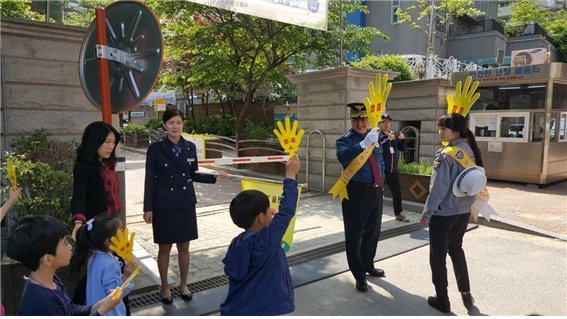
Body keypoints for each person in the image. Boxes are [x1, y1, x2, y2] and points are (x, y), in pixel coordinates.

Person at [143, 108, 227, 304]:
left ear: (183, 125)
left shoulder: (189, 147)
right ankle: (164, 286)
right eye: (171, 122)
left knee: (184, 246)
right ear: (164, 125)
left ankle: (183, 284)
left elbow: (192, 174)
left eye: (179, 122)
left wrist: (215, 176)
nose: (175, 126)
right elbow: (149, 180)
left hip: (185, 203)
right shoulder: (155, 149)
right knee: (164, 247)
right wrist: (148, 208)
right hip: (163, 205)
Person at [220, 155, 300, 315]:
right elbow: (286, 211)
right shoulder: (265, 242)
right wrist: (291, 176)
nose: (272, 212)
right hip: (263, 309)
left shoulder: (237, 242)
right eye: (268, 210)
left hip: (239, 307)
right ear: (261, 218)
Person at [420, 113, 483, 313]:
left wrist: (427, 213)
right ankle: (466, 293)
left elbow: (438, 188)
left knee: (437, 256)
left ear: (455, 131)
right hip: (463, 212)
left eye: (443, 128)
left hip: (443, 214)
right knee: (456, 250)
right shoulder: (470, 150)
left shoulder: (445, 155)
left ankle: (442, 299)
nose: (440, 132)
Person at [6, 215, 122, 315]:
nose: (71, 246)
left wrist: (98, 306)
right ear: (48, 259)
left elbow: (70, 310)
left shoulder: (51, 280)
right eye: (65, 243)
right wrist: (102, 310)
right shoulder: (41, 300)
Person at [69, 121, 130, 312]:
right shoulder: (84, 167)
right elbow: (79, 197)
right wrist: (79, 221)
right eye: (106, 142)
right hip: (101, 230)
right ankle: (101, 309)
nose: (110, 147)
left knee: (118, 267)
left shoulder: (107, 163)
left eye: (113, 142)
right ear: (94, 141)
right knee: (104, 271)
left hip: (114, 225)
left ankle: (119, 307)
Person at [336, 102, 386, 293]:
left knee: (373, 231)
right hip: (356, 192)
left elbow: (380, 161)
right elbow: (342, 156)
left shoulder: (374, 136)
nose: (360, 123)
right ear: (351, 119)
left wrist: (381, 183)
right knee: (354, 234)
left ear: (369, 119)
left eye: (363, 118)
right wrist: (362, 145)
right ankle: (358, 274)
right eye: (356, 119)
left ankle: (367, 264)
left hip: (375, 191)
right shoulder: (346, 139)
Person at [70, 214, 137, 316]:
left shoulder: (95, 257)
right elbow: (114, 295)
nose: (124, 234)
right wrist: (127, 276)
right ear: (109, 242)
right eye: (121, 231)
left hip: (97, 309)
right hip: (109, 313)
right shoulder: (109, 264)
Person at [378, 113, 409, 223]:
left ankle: (399, 213)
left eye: (388, 122)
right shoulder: (377, 135)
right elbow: (376, 148)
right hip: (381, 171)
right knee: (377, 194)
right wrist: (387, 140)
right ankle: (373, 215)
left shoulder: (393, 135)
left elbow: (402, 149)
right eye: (384, 122)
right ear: (379, 123)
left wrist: (403, 138)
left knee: (397, 193)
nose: (387, 124)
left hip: (393, 170)